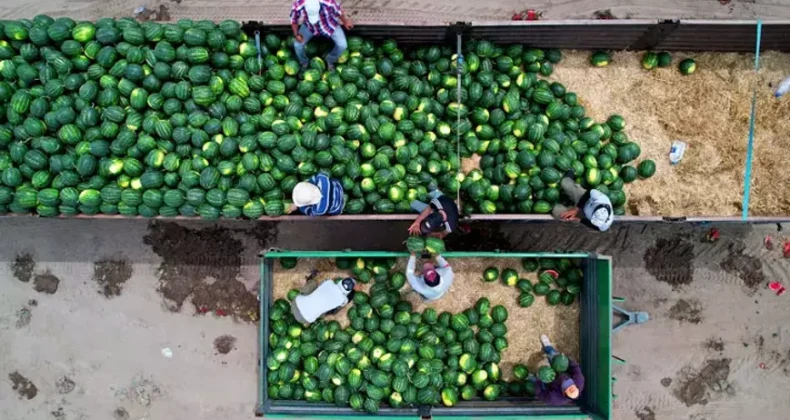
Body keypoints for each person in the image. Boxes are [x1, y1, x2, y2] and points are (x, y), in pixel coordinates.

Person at [289, 0, 353, 71]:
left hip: (329, 26)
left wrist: (345, 22)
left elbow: (339, 12)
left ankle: (330, 60)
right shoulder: (298, 5)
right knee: (297, 45)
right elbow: (293, 19)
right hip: (310, 27)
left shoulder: (329, 3)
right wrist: (296, 34)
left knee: (343, 45)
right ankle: (304, 62)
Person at [529, 334, 585, 405]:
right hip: (561, 371)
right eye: (570, 383)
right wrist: (563, 360)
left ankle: (528, 375)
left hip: (549, 383)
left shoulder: (555, 399)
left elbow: (540, 394)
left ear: (564, 393)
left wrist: (538, 381)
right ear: (575, 385)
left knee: (535, 376)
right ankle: (548, 347)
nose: (565, 381)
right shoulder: (579, 380)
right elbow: (575, 367)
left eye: (566, 386)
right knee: (555, 356)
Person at [292, 275, 356, 324]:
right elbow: (346, 301)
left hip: (294, 304)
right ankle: (331, 313)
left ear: (340, 281)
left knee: (313, 283)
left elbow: (324, 282)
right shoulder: (342, 299)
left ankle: (309, 279)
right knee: (332, 310)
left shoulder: (329, 282)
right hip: (304, 320)